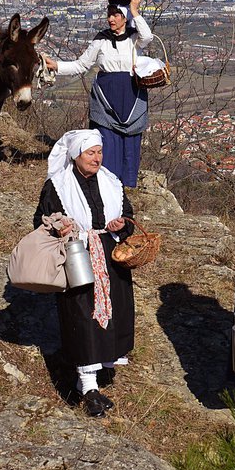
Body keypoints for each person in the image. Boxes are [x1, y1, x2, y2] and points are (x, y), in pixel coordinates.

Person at [34, 129, 136, 417]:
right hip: (78, 256)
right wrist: (60, 226)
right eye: (90, 153)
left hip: (111, 256)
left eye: (99, 152)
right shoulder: (57, 186)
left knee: (112, 313)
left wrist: (122, 226)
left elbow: (128, 215)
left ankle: (101, 369)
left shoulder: (111, 182)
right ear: (76, 155)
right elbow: (39, 221)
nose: (97, 158)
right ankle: (87, 386)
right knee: (83, 317)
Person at [44, 0, 153, 188]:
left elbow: (148, 36)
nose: (110, 19)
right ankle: (105, 186)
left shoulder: (134, 38)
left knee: (130, 146)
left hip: (131, 96)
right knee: (106, 144)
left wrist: (135, 11)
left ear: (124, 16)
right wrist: (56, 66)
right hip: (105, 100)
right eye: (109, 14)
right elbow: (81, 65)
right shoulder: (101, 39)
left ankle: (128, 188)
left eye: (115, 14)